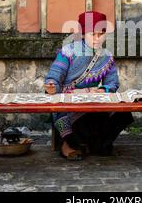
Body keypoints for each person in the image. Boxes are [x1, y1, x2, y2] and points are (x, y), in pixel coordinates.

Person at [44, 11, 134, 161]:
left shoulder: (106, 56)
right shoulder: (68, 51)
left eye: (101, 34)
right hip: (69, 103)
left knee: (123, 113)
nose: (97, 38)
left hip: (93, 101)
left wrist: (101, 90)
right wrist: (52, 85)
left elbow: (112, 83)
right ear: (84, 34)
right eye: (93, 34)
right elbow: (55, 75)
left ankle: (98, 145)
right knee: (72, 115)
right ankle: (69, 144)